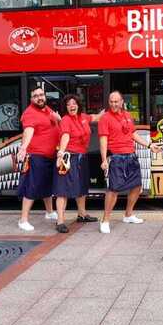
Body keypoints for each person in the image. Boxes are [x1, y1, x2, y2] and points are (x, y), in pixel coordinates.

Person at [98, 91, 161, 234]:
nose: (114, 104)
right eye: (111, 101)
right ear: (109, 102)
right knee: (113, 190)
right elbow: (103, 140)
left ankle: (128, 214)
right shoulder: (105, 118)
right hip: (117, 157)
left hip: (131, 156)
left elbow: (133, 134)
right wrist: (103, 160)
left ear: (121, 102)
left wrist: (150, 146)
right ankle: (105, 220)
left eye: (116, 101)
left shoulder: (127, 116)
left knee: (137, 186)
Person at [52, 94, 104, 233]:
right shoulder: (66, 120)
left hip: (82, 157)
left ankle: (82, 214)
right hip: (68, 158)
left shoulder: (83, 117)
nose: (71, 106)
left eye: (74, 103)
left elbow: (96, 117)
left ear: (78, 105)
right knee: (62, 190)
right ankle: (60, 221)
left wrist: (110, 109)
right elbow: (65, 136)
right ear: (66, 107)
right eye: (68, 104)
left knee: (82, 187)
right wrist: (61, 153)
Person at [16, 88, 61, 231]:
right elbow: (28, 131)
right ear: (31, 99)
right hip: (37, 156)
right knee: (33, 186)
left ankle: (49, 212)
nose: (39, 98)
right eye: (35, 96)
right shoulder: (30, 113)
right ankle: (23, 220)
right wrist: (23, 148)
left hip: (50, 155)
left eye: (41, 95)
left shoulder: (46, 109)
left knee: (47, 185)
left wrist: (59, 120)